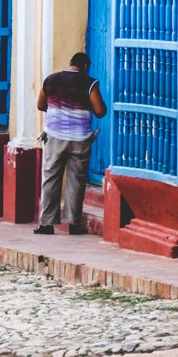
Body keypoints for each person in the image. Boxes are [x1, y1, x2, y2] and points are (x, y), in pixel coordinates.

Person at [34, 52, 107, 236]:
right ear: (86, 66)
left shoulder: (50, 80)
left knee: (50, 178)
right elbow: (100, 111)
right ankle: (73, 224)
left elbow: (41, 105)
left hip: (55, 137)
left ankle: (46, 224)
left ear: (70, 63)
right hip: (80, 139)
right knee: (77, 181)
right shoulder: (90, 83)